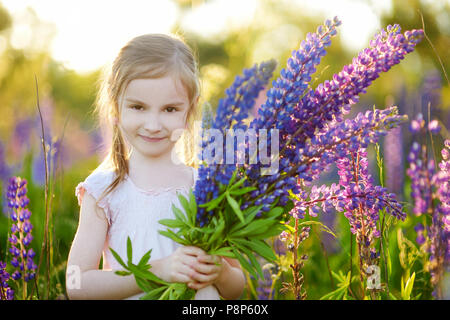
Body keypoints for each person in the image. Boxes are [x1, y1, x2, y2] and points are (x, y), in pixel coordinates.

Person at [66, 34, 245, 300]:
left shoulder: (205, 189)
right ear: (116, 107)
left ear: (190, 111)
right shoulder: (104, 191)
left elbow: (238, 288)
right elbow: (76, 283)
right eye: (138, 107)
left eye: (170, 109)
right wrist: (157, 271)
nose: (153, 124)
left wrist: (221, 274)